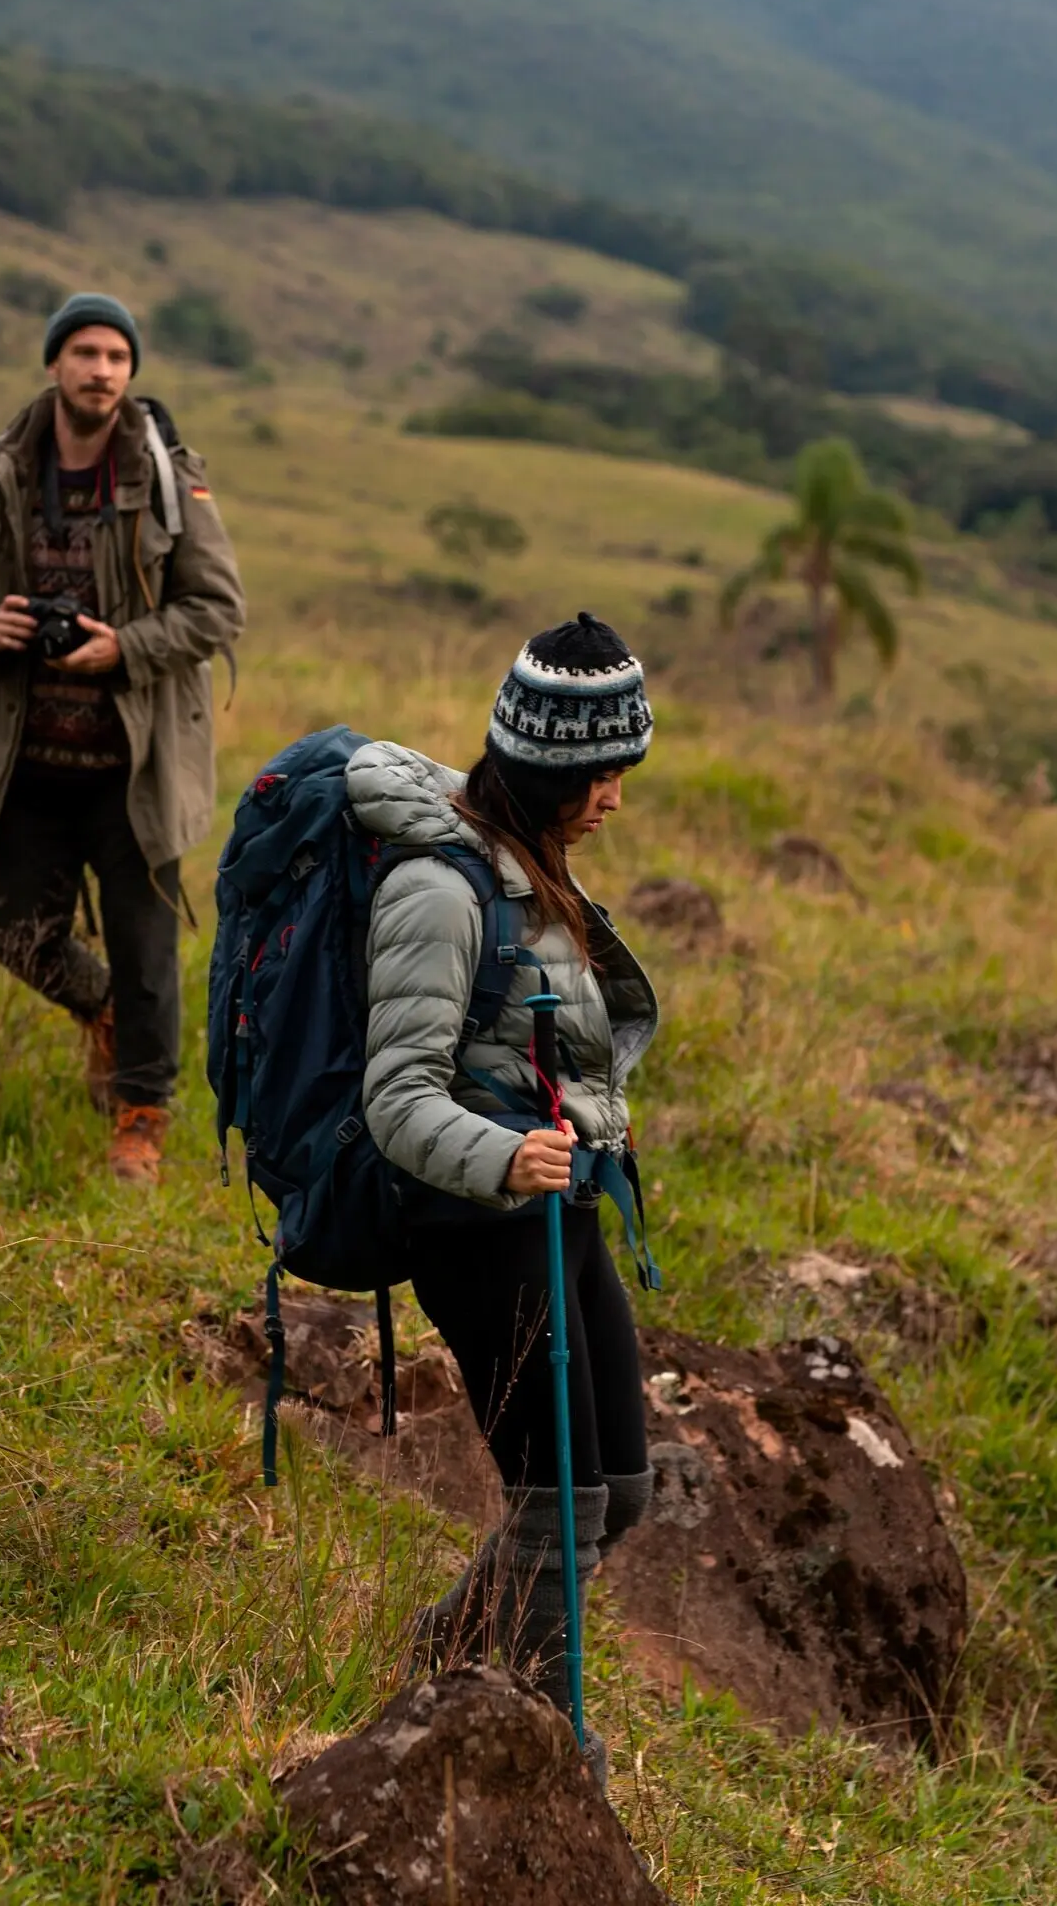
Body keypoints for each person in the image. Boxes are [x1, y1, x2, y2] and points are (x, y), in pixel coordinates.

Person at [347, 611, 658, 1774]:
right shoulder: (439, 889)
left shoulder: (536, 869)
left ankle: (446, 1649)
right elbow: (397, 1096)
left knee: (618, 1490)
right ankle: (520, 1740)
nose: (615, 796)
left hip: (558, 1209)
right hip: (475, 1224)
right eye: (600, 773)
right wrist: (500, 1154)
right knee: (557, 1504)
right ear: (543, 767)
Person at [0, 293, 246, 1183]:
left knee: (146, 945)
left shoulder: (167, 472)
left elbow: (217, 609)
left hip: (134, 762)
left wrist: (123, 647)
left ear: (130, 371)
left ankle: (141, 1114)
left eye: (116, 356)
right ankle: (99, 1011)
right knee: (17, 935)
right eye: (85, 352)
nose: (101, 369)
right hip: (24, 755)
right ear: (54, 363)